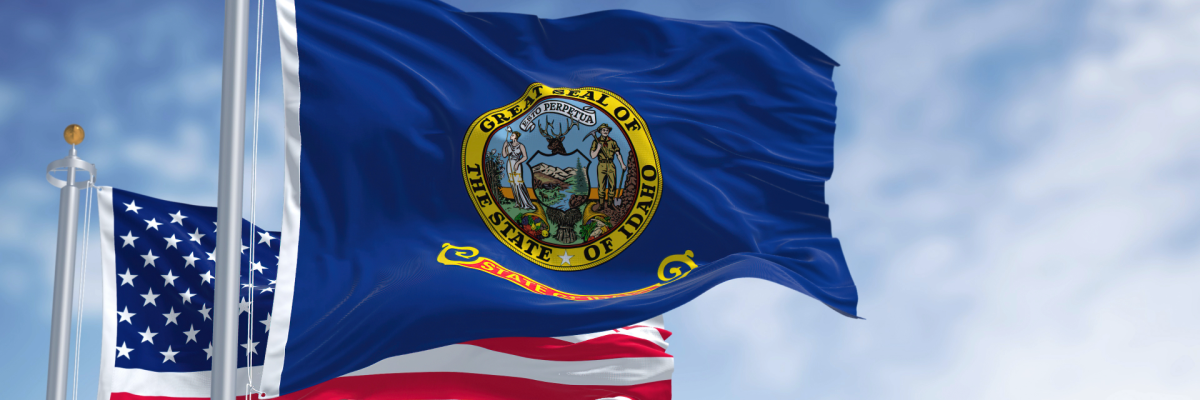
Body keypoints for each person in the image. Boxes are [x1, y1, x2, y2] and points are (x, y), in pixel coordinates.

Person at [588, 124, 626, 208]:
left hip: (611, 164)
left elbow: (618, 154)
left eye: (607, 130)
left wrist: (622, 164)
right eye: (604, 130)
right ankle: (601, 204)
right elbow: (593, 156)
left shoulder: (612, 142)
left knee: (612, 185)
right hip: (601, 165)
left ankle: (610, 204)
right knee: (601, 186)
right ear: (600, 131)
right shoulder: (596, 141)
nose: (605, 132)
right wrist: (598, 148)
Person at [502, 127, 536, 210]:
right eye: (511, 135)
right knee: (513, 183)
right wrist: (504, 146)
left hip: (517, 165)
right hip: (509, 165)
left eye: (512, 135)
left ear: (516, 137)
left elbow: (525, 157)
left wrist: (517, 163)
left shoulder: (521, 145)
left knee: (519, 183)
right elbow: (504, 155)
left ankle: (526, 203)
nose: (511, 136)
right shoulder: (508, 145)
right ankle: (518, 202)